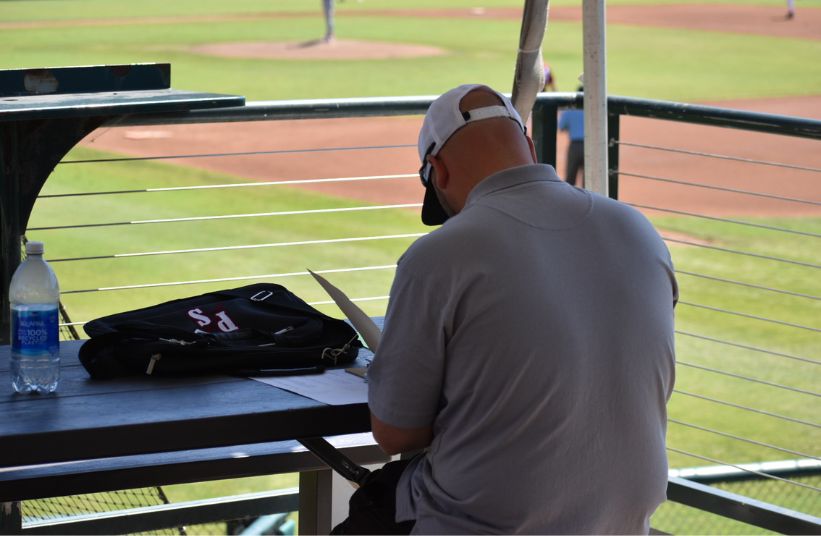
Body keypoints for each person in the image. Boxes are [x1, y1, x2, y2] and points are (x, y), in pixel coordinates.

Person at [333, 84, 677, 534]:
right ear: (529, 146)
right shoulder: (638, 230)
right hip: (621, 523)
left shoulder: (441, 255)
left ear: (437, 170)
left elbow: (397, 434)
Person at [558, 85, 585, 187]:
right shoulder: (593, 111)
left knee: (570, 179)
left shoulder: (570, 111)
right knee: (588, 182)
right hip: (590, 147)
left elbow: (561, 127)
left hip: (574, 146)